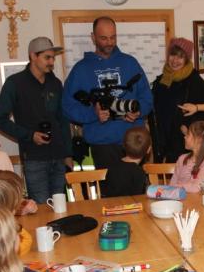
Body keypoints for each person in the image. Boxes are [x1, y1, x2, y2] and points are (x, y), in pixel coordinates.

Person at [62, 16, 153, 170]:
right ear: (93, 37)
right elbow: (67, 107)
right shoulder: (81, 69)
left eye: (113, 37)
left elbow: (147, 98)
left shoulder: (130, 63)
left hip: (134, 145)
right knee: (110, 193)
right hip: (102, 146)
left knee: (137, 192)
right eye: (104, 38)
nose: (109, 42)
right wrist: (93, 114)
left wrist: (138, 111)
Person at [0, 36, 72, 204]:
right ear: (33, 56)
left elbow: (63, 120)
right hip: (34, 158)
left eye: (53, 57)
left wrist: (67, 154)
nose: (51, 62)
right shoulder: (15, 83)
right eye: (47, 57)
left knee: (61, 206)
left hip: (58, 157)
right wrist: (30, 135)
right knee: (41, 208)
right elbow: (0, 120)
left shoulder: (56, 83)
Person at [149, 37, 204, 163]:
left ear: (186, 59)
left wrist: (191, 126)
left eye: (180, 57)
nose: (175, 60)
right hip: (161, 144)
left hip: (183, 145)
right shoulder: (161, 81)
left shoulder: (194, 80)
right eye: (172, 55)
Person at [170, 121, 204, 193]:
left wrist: (176, 186)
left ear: (199, 139)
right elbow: (172, 184)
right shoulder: (182, 158)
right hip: (179, 200)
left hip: (197, 202)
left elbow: (197, 187)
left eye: (188, 134)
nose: (184, 137)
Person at [102, 127, 152, 197]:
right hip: (130, 206)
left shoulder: (112, 166)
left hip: (110, 206)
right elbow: (137, 198)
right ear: (148, 150)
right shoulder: (138, 172)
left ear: (123, 146)